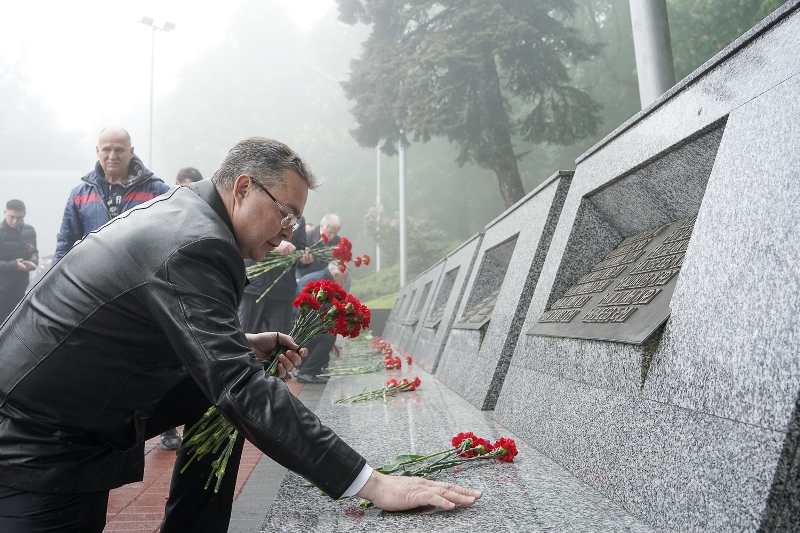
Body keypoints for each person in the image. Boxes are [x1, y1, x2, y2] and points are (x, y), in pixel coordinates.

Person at [0, 137, 481, 532]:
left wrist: (242, 346)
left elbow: (149, 332)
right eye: (285, 213)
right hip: (37, 442)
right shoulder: (196, 244)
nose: (288, 233)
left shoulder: (186, 215)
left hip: (58, 423)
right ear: (244, 188)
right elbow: (238, 386)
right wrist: (372, 483)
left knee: (227, 385)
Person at [54, 127, 170, 262]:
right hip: (93, 279)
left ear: (131, 152)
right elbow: (65, 244)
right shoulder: (79, 195)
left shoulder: (157, 192)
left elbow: (171, 241)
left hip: (140, 280)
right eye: (106, 150)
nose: (112, 156)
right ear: (98, 151)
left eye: (119, 150)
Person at [239, 216, 307, 336]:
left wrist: (305, 258)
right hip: (254, 287)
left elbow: (301, 250)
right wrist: (275, 245)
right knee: (244, 338)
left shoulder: (299, 220)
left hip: (282, 291)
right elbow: (246, 235)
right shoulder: (264, 207)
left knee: (279, 343)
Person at [294, 262, 349, 384]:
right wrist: (326, 333)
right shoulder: (315, 281)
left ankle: (315, 368)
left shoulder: (326, 280)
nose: (344, 282)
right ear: (335, 275)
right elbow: (304, 311)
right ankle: (306, 372)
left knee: (329, 334)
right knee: (328, 335)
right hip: (300, 324)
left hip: (308, 322)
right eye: (344, 278)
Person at [0, 200, 37, 322]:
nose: (15, 221)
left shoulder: (29, 231)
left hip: (20, 287)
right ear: (5, 213)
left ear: (24, 214)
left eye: (19, 217)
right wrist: (13, 265)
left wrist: (33, 262)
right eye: (12, 217)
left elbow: (33, 252)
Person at [297, 213, 342, 278]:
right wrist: (297, 277)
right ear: (322, 226)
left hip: (325, 280)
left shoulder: (337, 241)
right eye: (330, 232)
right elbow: (295, 262)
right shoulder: (306, 238)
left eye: (335, 233)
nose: (332, 236)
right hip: (305, 278)